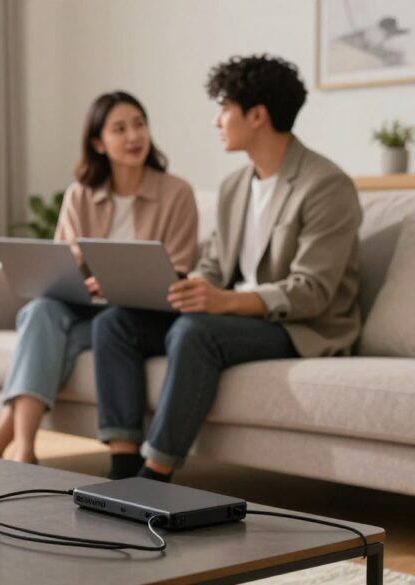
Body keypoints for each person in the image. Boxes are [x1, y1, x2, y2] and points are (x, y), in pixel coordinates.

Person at [93, 54, 362, 483]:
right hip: (232, 313)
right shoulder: (236, 186)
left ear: (257, 116)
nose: (216, 121)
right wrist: (186, 289)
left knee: (194, 332)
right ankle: (122, 469)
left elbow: (312, 291)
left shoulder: (325, 185)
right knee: (115, 323)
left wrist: (223, 301)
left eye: (224, 109)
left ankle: (154, 477)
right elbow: (213, 265)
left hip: (297, 326)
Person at [0, 91, 199, 464]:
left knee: (54, 336)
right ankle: (25, 449)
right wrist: (82, 275)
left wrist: (118, 282)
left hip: (139, 317)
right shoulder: (80, 194)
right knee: (40, 311)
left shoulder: (176, 192)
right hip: (87, 308)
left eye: (139, 125)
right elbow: (63, 262)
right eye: (120, 129)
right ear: (98, 143)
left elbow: (178, 269)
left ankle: (4, 436)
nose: (134, 136)